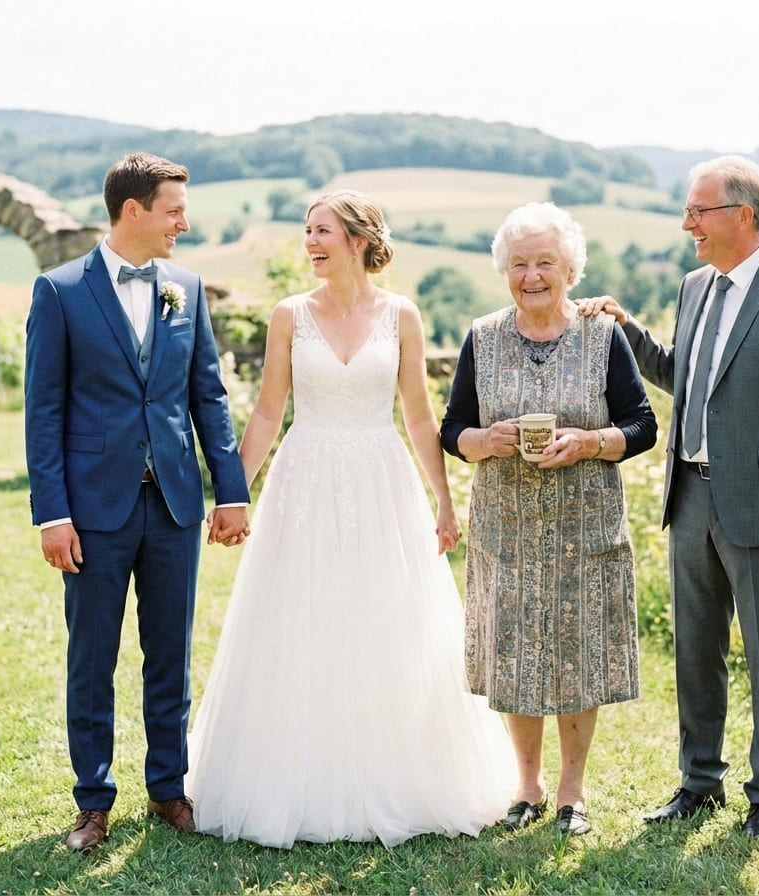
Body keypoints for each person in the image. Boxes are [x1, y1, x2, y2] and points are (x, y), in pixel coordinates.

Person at [185, 189, 516, 848]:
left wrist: (445, 501)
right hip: (303, 480)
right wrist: (231, 493)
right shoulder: (288, 316)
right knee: (298, 618)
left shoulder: (402, 315)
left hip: (380, 480)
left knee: (384, 619)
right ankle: (291, 776)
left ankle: (396, 774)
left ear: (360, 239)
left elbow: (419, 415)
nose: (309, 242)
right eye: (307, 231)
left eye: (321, 231)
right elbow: (267, 414)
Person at [578, 155, 759, 839]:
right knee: (697, 653)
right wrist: (628, 330)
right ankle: (699, 785)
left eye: (699, 210)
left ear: (744, 216)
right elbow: (683, 375)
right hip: (689, 500)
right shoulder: (695, 285)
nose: (687, 222)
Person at [24, 152, 251, 853]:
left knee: (170, 654)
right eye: (174, 210)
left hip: (176, 505)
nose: (184, 224)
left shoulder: (185, 288)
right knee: (92, 658)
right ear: (134, 211)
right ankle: (93, 801)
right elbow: (44, 410)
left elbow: (206, 395)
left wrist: (231, 490)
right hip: (92, 509)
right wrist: (52, 513)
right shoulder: (60, 292)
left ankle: (167, 788)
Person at [439, 202, 658, 837]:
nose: (531, 275)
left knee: (579, 653)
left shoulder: (601, 334)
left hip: (585, 525)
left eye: (545, 263)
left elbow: (642, 424)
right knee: (514, 653)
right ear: (504, 270)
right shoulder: (482, 336)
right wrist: (484, 441)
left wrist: (591, 443)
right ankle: (527, 787)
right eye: (519, 264)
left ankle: (571, 792)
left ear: (570, 269)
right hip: (505, 528)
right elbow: (454, 428)